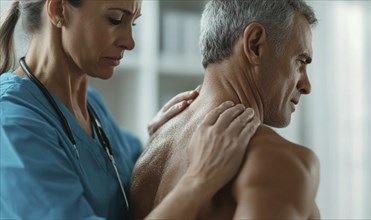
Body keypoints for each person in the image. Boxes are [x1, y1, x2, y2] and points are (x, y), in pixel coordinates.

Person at [0, 0, 261, 219]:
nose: (130, 42)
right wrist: (199, 180)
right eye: (115, 20)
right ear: (58, 10)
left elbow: (135, 184)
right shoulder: (11, 122)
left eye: (132, 23)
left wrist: (159, 139)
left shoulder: (92, 107)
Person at [130, 0, 321, 219]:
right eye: (300, 61)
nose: (306, 86)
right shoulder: (277, 161)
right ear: (255, 45)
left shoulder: (153, 147)